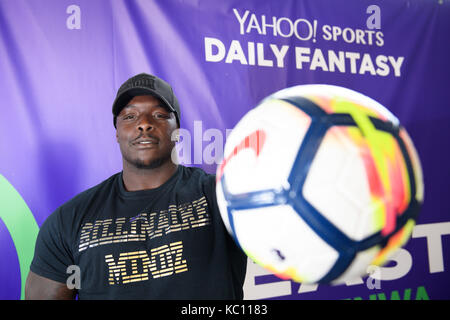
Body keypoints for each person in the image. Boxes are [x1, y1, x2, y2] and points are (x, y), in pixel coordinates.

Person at [25, 73, 247, 300]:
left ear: (178, 131)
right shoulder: (69, 220)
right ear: (117, 133)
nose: (144, 124)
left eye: (159, 114)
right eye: (130, 116)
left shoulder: (223, 195)